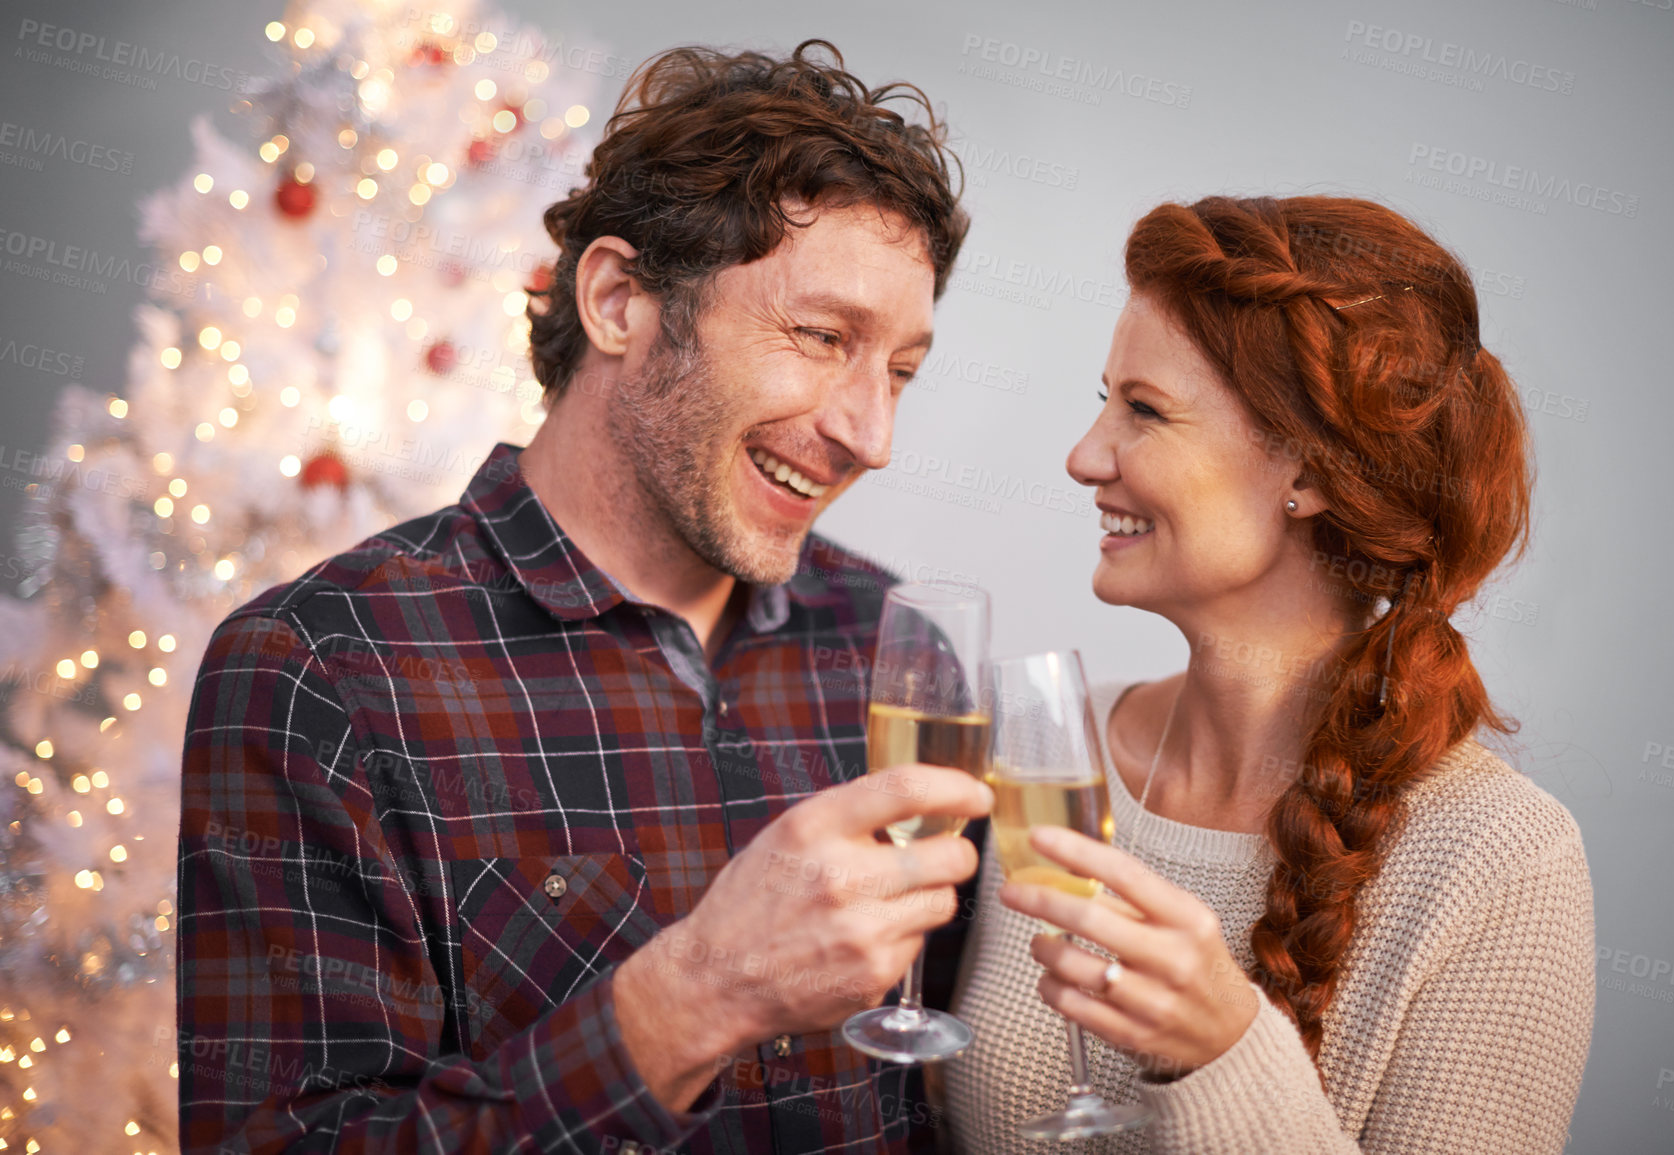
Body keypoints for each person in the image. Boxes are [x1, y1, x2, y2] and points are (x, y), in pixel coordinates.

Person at [176, 41, 989, 1154]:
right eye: (820, 337)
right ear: (617, 301)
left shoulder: (896, 652)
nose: (870, 433)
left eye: (899, 370)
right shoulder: (321, 670)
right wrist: (692, 998)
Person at [944, 196, 1595, 1152]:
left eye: (1144, 411)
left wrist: (1221, 1050)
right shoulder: (1039, 754)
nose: (1085, 457)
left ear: (1311, 472)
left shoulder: (1499, 862)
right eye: (1103, 400)